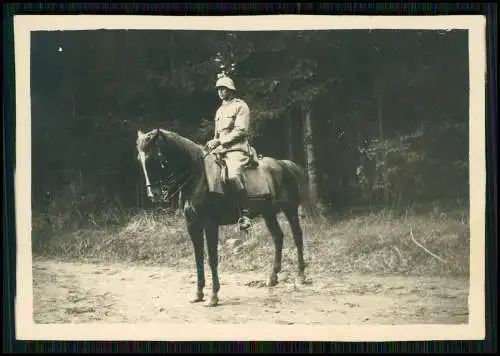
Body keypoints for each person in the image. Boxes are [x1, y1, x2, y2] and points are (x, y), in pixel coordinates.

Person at [205, 75, 253, 231]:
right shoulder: (219, 110)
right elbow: (217, 135)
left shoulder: (241, 106)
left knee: (232, 175)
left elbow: (241, 130)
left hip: (236, 149)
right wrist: (213, 144)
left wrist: (219, 142)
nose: (220, 92)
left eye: (223, 89)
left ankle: (246, 213)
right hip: (221, 150)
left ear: (231, 90)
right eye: (218, 89)